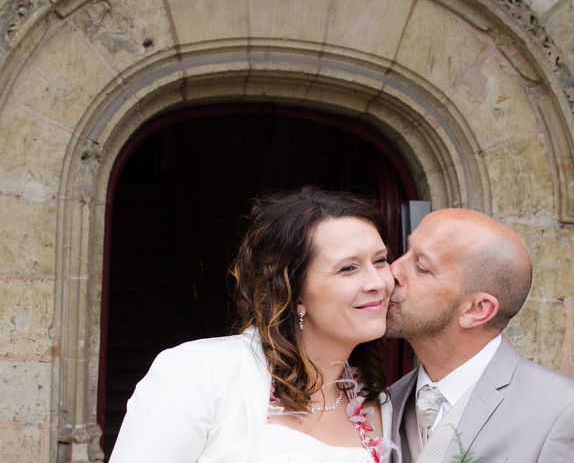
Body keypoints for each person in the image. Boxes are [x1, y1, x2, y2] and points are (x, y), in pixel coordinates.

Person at [109, 186, 395, 463]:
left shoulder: (382, 405)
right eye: (349, 268)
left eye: (380, 261)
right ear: (292, 292)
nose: (377, 283)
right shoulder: (199, 372)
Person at [385, 208, 574, 463]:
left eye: (421, 267)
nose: (392, 271)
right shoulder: (386, 403)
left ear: (477, 309)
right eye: (405, 252)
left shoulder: (565, 415)